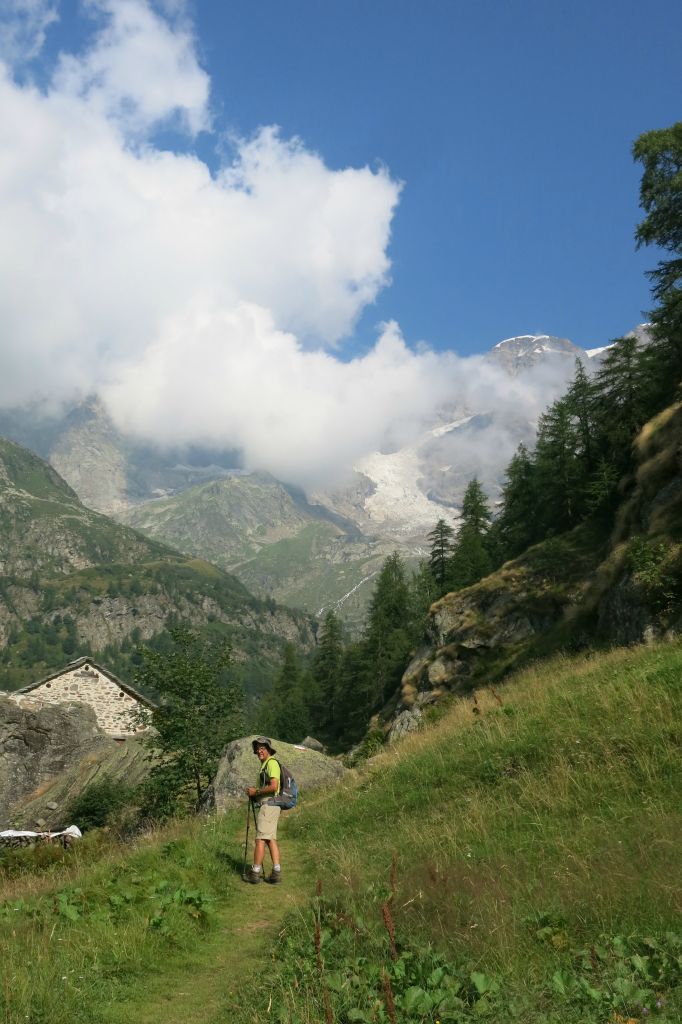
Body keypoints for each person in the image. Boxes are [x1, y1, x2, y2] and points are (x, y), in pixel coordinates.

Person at [245, 737, 282, 884]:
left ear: (268, 750)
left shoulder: (271, 763)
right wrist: (254, 794)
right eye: (257, 748)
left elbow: (273, 786)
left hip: (269, 805)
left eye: (262, 748)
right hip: (271, 805)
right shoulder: (265, 764)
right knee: (270, 838)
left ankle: (255, 873)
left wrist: (256, 792)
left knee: (260, 838)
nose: (259, 751)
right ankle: (276, 872)